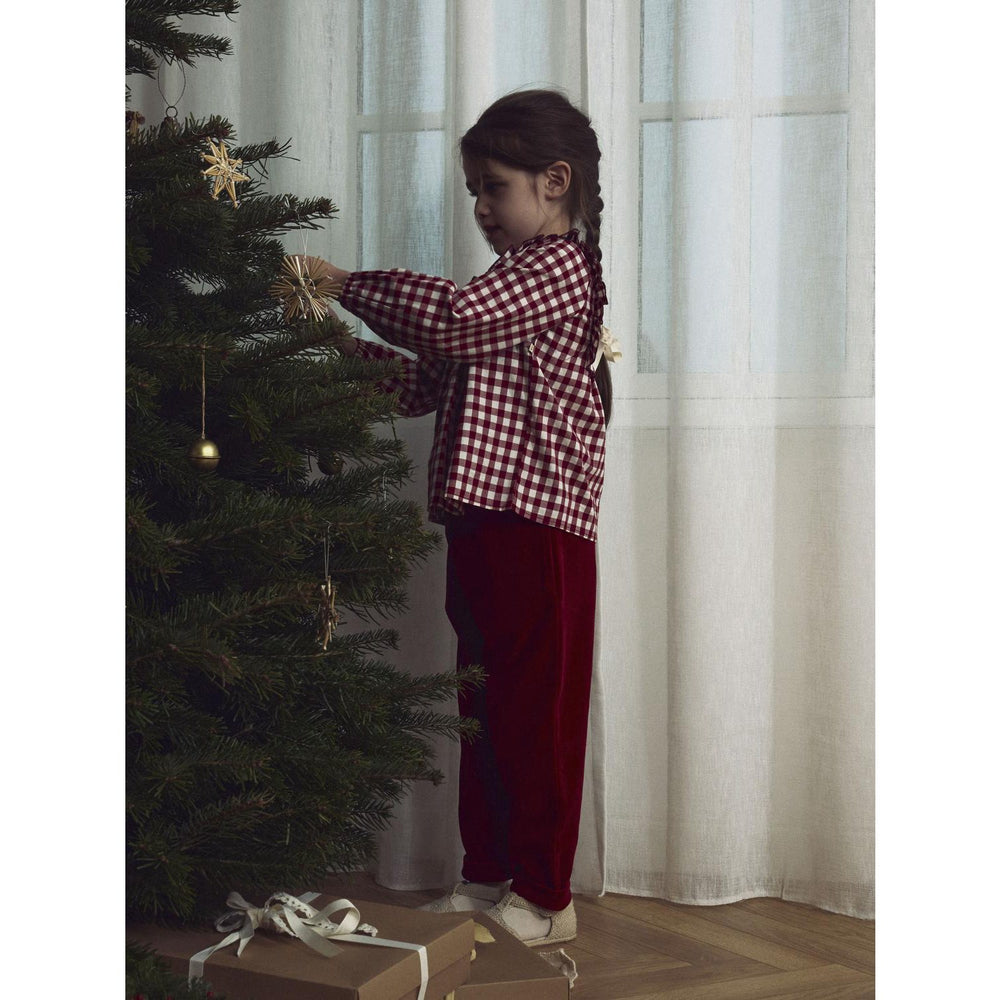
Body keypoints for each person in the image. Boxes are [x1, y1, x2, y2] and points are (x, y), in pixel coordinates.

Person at [313, 89, 615, 947]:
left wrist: (344, 285)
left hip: (539, 531)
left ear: (555, 182)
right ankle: (487, 877)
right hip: (482, 526)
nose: (481, 207)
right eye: (474, 189)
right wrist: (331, 341)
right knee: (482, 711)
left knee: (537, 718)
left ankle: (546, 899)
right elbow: (420, 385)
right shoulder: (504, 286)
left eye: (495, 187)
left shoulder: (557, 271)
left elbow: (450, 322)